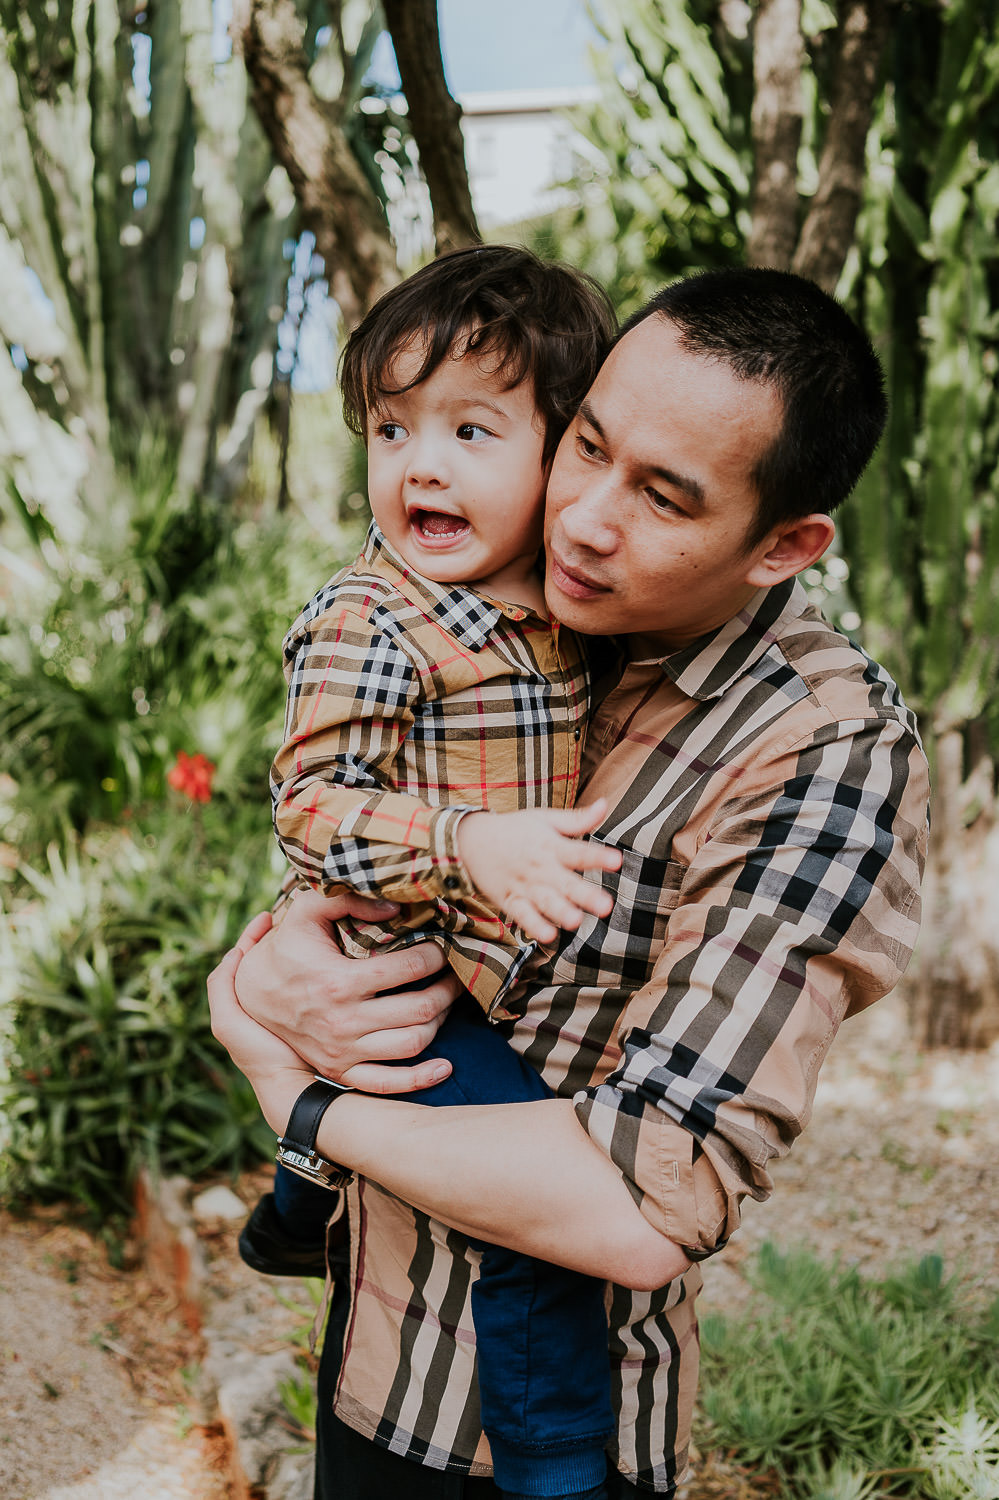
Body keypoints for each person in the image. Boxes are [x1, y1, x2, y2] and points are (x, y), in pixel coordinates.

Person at [210, 266, 930, 1500]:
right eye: (587, 446)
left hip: (553, 1439)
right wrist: (267, 965)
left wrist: (296, 1096)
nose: (587, 519)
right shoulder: (489, 609)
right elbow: (337, 841)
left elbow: (641, 1204)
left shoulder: (823, 745)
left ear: (785, 544)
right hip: (373, 1359)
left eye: (663, 497)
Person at [243, 244, 628, 1500]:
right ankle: (558, 1463)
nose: (422, 464)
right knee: (536, 1217)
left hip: (491, 967)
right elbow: (307, 808)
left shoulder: (570, 616)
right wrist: (468, 843)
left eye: (472, 429)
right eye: (393, 426)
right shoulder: (379, 617)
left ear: (563, 453)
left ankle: (300, 1201)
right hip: (412, 960)